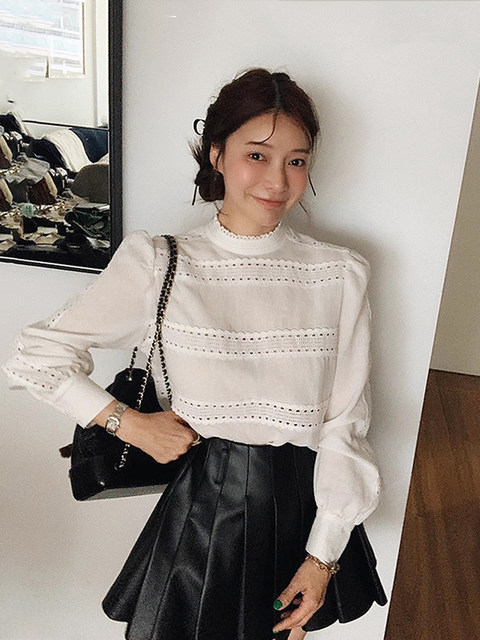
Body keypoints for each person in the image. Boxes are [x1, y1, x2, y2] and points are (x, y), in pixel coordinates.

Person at [2, 68, 387, 640]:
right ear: (217, 154)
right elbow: (36, 355)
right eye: (256, 155)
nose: (277, 179)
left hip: (305, 515)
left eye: (296, 160)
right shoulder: (160, 262)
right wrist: (129, 423)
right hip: (207, 512)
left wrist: (323, 555)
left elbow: (345, 424)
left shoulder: (340, 273)